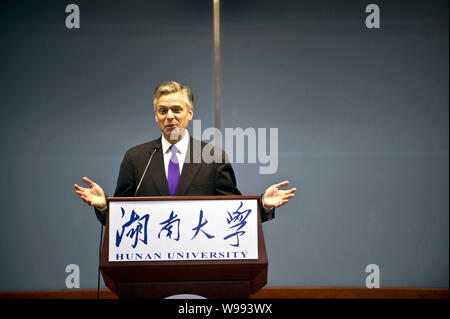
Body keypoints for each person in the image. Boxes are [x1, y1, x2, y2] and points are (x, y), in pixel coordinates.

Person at [74, 81, 295, 224]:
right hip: (148, 265)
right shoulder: (136, 158)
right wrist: (104, 206)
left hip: (200, 263)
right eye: (163, 111)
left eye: (176, 110)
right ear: (156, 116)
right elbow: (121, 218)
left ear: (190, 114)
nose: (169, 116)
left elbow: (231, 213)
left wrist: (263, 205)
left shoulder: (213, 158)